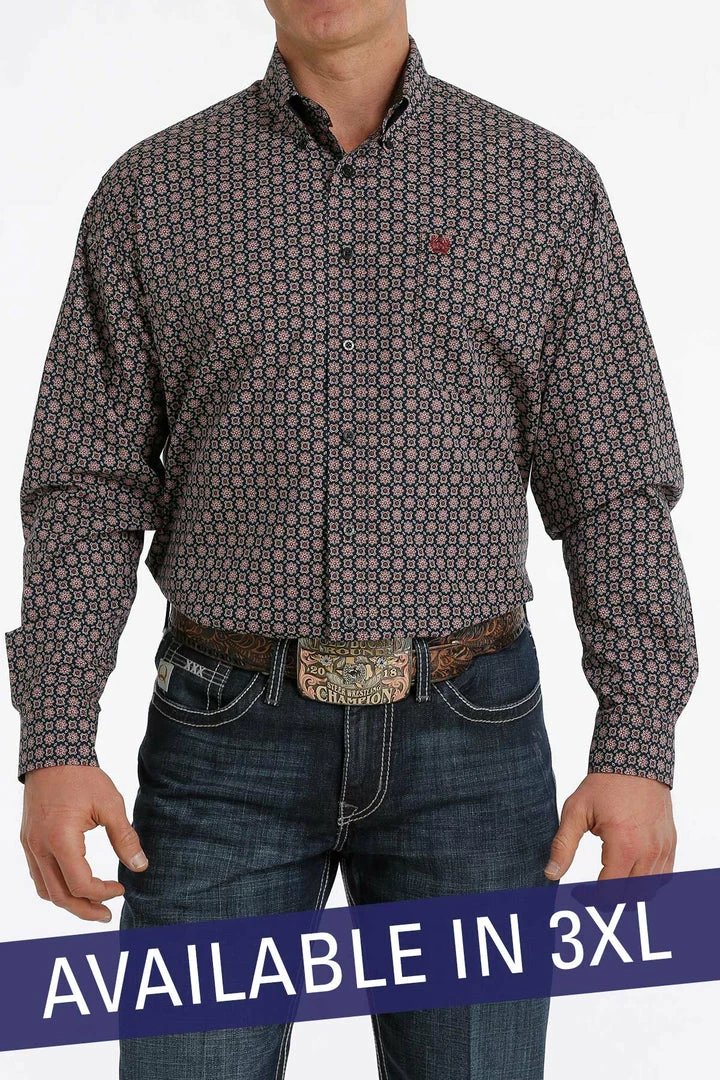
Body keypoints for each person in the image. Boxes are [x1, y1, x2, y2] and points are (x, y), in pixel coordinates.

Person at [5, 1, 698, 1077]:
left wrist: (638, 743)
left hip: (473, 747)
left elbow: (612, 483)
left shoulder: (541, 188)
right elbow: (86, 485)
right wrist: (55, 737)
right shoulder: (154, 192)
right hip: (221, 746)